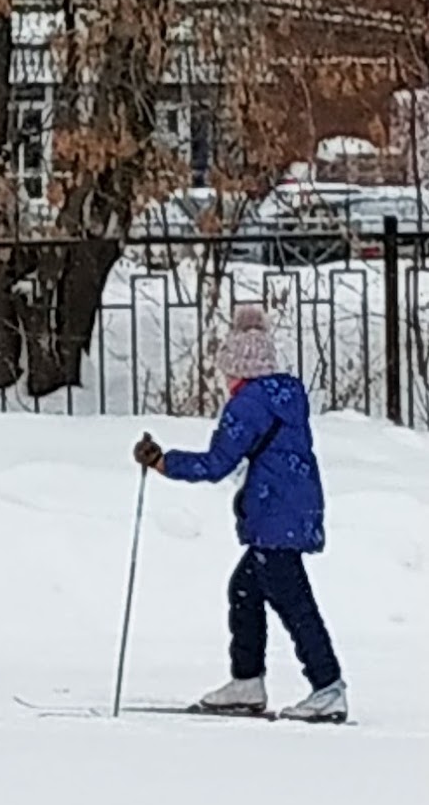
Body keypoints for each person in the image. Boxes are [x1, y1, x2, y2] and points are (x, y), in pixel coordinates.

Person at [133, 306, 346, 723]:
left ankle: (327, 687)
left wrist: (162, 462)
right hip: (293, 509)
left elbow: (217, 464)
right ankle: (247, 681)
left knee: (294, 603)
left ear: (238, 370)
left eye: (227, 371)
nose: (225, 381)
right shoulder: (288, 396)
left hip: (272, 517)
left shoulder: (246, 406)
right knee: (245, 589)